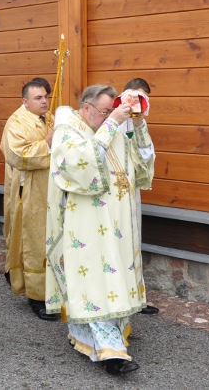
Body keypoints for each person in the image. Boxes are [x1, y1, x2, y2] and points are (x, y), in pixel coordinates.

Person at [44, 85, 155, 375]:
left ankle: (87, 338)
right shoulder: (70, 129)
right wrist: (113, 121)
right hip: (87, 227)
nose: (110, 116)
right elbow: (81, 167)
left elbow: (142, 164)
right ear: (87, 108)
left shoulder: (110, 126)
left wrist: (138, 122)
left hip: (118, 226)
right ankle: (112, 354)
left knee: (107, 279)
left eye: (111, 111)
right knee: (95, 281)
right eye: (105, 111)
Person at [0, 78, 58, 321]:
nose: (44, 101)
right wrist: (49, 141)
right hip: (29, 193)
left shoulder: (50, 117)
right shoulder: (16, 123)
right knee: (34, 242)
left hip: (51, 189)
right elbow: (18, 155)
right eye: (38, 98)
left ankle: (52, 289)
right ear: (25, 101)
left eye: (46, 96)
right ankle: (36, 296)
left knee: (50, 239)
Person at [121, 77, 159, 316]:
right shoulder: (111, 118)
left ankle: (136, 295)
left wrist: (138, 123)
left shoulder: (140, 124)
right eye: (131, 97)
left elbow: (146, 156)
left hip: (130, 190)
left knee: (133, 240)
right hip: (111, 191)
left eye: (140, 99)